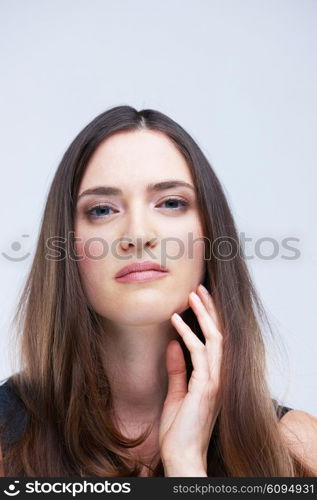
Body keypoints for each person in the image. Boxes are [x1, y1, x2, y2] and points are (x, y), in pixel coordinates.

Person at [0, 105, 316, 477]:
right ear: (67, 246)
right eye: (102, 210)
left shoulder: (300, 450)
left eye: (170, 203)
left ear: (211, 236)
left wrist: (185, 465)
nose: (137, 235)